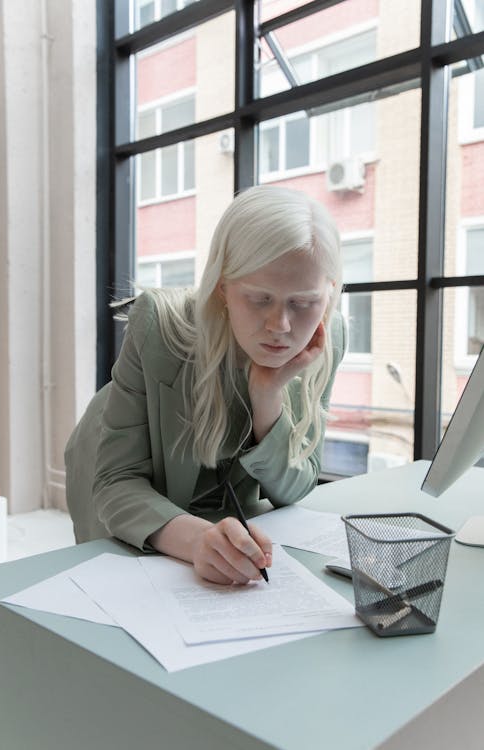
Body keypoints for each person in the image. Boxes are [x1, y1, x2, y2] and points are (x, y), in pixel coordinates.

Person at [65, 184, 345, 585]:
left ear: (329, 292)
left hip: (218, 511)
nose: (281, 327)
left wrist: (267, 397)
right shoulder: (157, 325)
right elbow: (116, 483)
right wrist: (198, 540)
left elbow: (295, 487)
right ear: (222, 286)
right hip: (117, 474)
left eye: (303, 303)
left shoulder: (327, 337)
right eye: (260, 299)